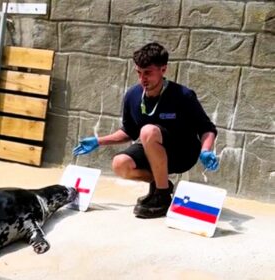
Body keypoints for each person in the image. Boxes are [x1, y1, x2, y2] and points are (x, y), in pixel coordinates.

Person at [73, 42, 219, 219]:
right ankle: (161, 184)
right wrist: (99, 141)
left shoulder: (183, 95)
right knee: (120, 164)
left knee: (148, 131)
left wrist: (205, 150)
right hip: (152, 148)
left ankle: (162, 196)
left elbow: (207, 129)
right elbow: (129, 131)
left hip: (182, 152)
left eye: (148, 73)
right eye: (139, 73)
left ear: (163, 69)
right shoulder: (133, 96)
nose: (143, 79)